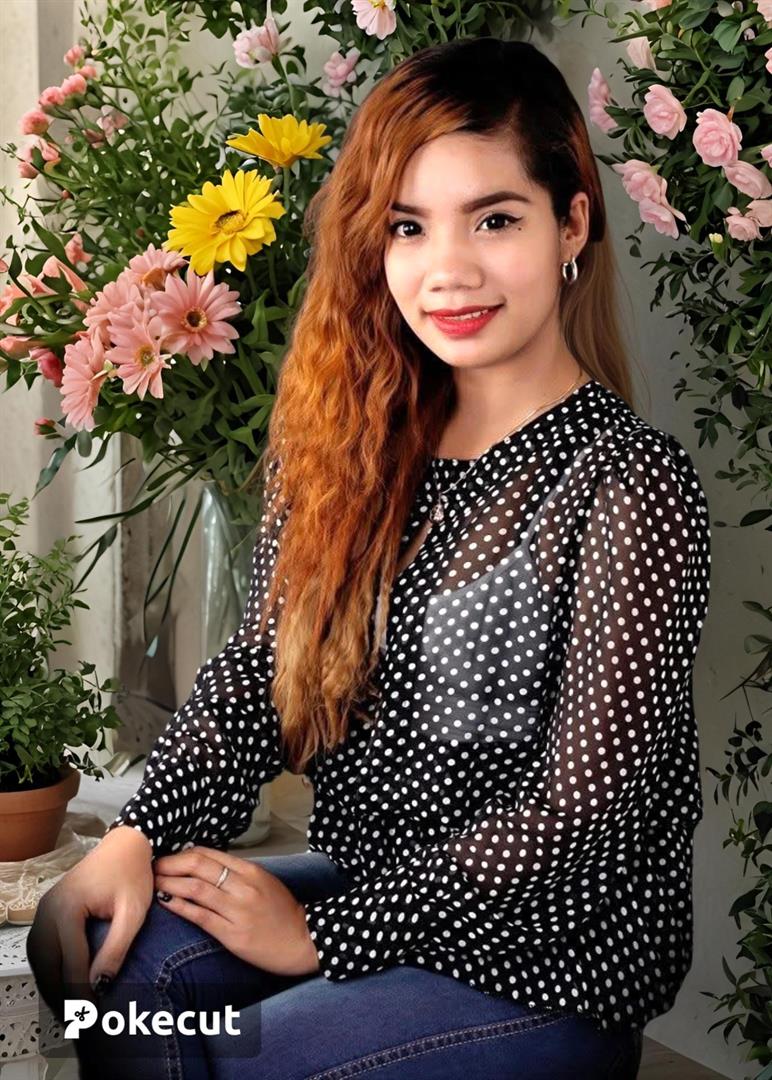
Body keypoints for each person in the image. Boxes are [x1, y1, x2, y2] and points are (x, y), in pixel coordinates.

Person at [27, 35, 711, 1080]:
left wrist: (324, 936)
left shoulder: (629, 482)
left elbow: (584, 813)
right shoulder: (349, 449)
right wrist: (136, 836)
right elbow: (261, 674)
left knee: (244, 1062)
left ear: (572, 224)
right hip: (364, 884)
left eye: (494, 219)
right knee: (122, 981)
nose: (449, 270)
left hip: (547, 963)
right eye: (407, 226)